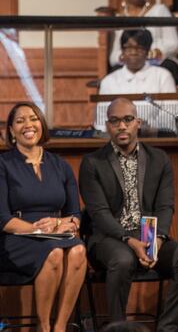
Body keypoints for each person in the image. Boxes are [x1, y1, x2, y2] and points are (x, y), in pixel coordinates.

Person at [79, 98, 178, 331]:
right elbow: (99, 213)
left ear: (138, 123)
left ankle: (168, 327)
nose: (121, 126)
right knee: (122, 260)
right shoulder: (92, 162)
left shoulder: (159, 159)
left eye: (127, 119)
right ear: (107, 126)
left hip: (149, 235)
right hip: (109, 239)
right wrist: (129, 240)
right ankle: (117, 327)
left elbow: (165, 206)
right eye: (114, 121)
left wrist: (156, 241)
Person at [0, 102, 86, 332]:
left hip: (56, 234)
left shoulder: (60, 165)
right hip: (18, 236)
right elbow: (2, 219)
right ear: (10, 131)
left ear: (41, 124)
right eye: (20, 121)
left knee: (78, 250)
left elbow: (75, 214)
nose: (28, 125)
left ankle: (60, 326)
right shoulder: (3, 165)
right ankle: (44, 326)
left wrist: (59, 223)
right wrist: (38, 230)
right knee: (54, 253)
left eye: (33, 118)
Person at [97, 29, 178, 135]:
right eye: (128, 48)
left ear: (148, 50)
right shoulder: (109, 81)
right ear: (122, 50)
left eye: (139, 48)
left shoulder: (163, 76)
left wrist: (149, 128)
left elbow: (171, 116)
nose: (133, 52)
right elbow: (101, 121)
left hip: (153, 140)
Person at [109, 0, 178, 83]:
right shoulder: (119, 18)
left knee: (166, 68)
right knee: (116, 72)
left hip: (159, 62)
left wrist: (153, 53)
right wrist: (126, 56)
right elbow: (113, 57)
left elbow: (173, 44)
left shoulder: (160, 11)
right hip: (130, 64)